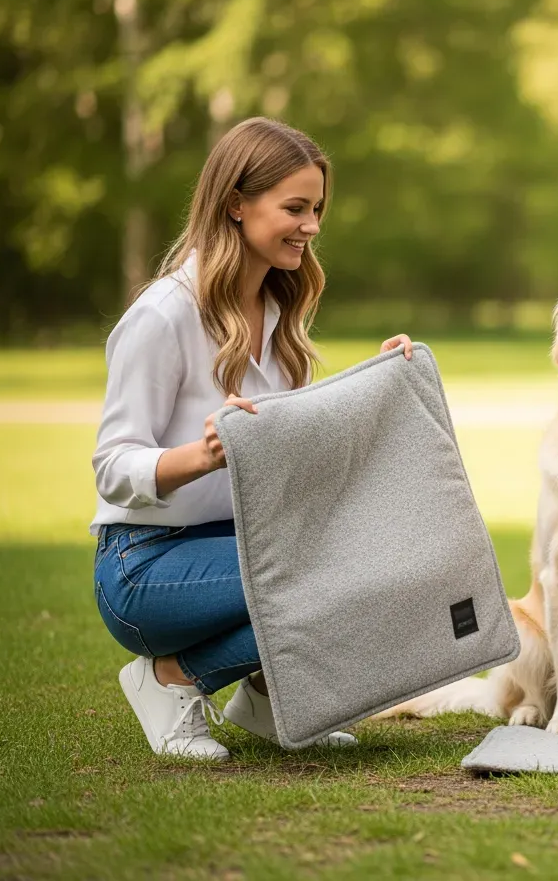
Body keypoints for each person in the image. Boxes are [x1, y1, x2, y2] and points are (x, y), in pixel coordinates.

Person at [92, 117, 415, 760]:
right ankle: (169, 679)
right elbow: (111, 465)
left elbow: (299, 450)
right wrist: (202, 456)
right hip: (143, 566)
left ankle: (269, 697)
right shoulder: (163, 316)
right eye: (295, 208)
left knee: (365, 556)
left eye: (317, 209)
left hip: (239, 546)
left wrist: (383, 383)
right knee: (321, 571)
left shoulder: (278, 317)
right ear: (235, 204)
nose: (313, 226)